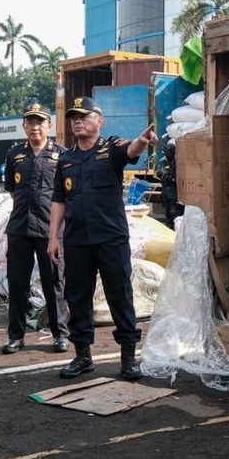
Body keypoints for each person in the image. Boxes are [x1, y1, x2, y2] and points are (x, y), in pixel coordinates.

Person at [48, 96, 157, 380]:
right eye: (74, 117)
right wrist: (53, 238)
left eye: (84, 116)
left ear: (100, 120)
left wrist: (143, 141)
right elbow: (59, 200)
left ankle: (128, 358)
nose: (77, 121)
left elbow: (130, 151)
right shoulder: (66, 159)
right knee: (78, 297)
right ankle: (82, 356)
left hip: (111, 239)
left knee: (120, 296)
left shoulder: (111, 148)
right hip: (77, 241)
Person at [0, 103, 70, 354]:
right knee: (17, 284)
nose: (35, 127)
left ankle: (60, 335)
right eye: (30, 122)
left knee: (55, 283)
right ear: (24, 126)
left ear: (49, 126)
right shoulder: (14, 155)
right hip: (19, 228)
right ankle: (15, 336)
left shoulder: (61, 154)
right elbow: (11, 190)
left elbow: (65, 195)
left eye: (40, 122)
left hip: (49, 230)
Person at [156, 134, 183, 229]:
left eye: (167, 152)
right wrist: (160, 172)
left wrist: (166, 175)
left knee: (174, 212)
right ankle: (169, 227)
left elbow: (175, 178)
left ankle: (175, 229)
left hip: (173, 192)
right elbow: (159, 175)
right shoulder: (165, 162)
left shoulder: (177, 163)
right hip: (165, 192)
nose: (165, 154)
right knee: (167, 212)